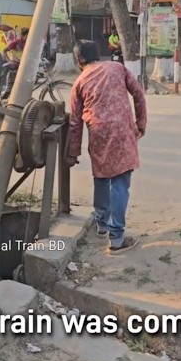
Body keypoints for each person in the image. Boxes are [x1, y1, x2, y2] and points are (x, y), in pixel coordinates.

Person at [65, 40, 147, 253]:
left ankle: (102, 224)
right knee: (120, 182)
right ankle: (117, 238)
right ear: (98, 54)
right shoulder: (117, 67)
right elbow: (138, 94)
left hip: (98, 132)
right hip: (122, 130)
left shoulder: (79, 82)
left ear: (79, 61)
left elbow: (75, 122)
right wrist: (141, 124)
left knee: (101, 176)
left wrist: (73, 153)